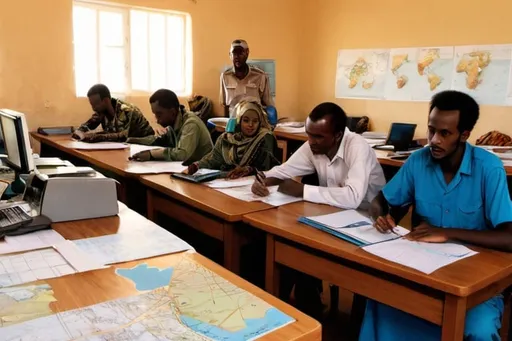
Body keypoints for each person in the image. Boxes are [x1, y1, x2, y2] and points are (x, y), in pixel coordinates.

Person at [364, 90, 512, 341]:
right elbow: (381, 200)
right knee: (382, 299)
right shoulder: (418, 161)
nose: (434, 140)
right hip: (423, 269)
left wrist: (447, 233)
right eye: (431, 130)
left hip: (474, 279)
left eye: (445, 133)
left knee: (480, 330)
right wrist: (381, 215)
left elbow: (509, 238)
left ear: (464, 135)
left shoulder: (489, 168)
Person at [251, 102, 386, 209]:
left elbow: (353, 197)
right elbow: (283, 171)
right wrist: (262, 179)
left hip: (367, 217)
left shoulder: (357, 146)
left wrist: (303, 190)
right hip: (333, 211)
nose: (310, 141)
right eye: (309, 134)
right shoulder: (314, 145)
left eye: (318, 137)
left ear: (338, 135)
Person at [185, 100, 278, 179]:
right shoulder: (226, 138)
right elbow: (213, 158)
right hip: (225, 182)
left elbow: (268, 169)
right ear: (239, 121)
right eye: (246, 120)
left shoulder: (264, 138)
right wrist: (196, 165)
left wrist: (248, 170)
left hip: (252, 185)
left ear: (260, 122)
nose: (250, 125)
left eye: (255, 121)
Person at [129, 89, 213, 163]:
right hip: (187, 169)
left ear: (172, 112)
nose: (157, 120)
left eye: (159, 115)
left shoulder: (191, 124)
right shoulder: (174, 122)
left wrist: (151, 154)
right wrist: (132, 140)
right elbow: (159, 140)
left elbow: (181, 154)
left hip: (203, 172)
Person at [72, 84, 154, 142]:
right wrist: (85, 129)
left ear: (106, 101)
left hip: (145, 145)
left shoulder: (127, 110)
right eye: (92, 105)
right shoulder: (102, 112)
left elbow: (123, 136)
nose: (94, 108)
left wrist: (98, 136)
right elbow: (78, 132)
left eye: (96, 104)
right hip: (125, 148)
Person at [220, 39, 274, 117]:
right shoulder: (225, 76)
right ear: (230, 55)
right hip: (233, 122)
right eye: (234, 53)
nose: (237, 57)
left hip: (253, 123)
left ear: (247, 53)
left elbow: (269, 105)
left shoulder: (260, 76)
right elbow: (224, 105)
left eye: (240, 53)